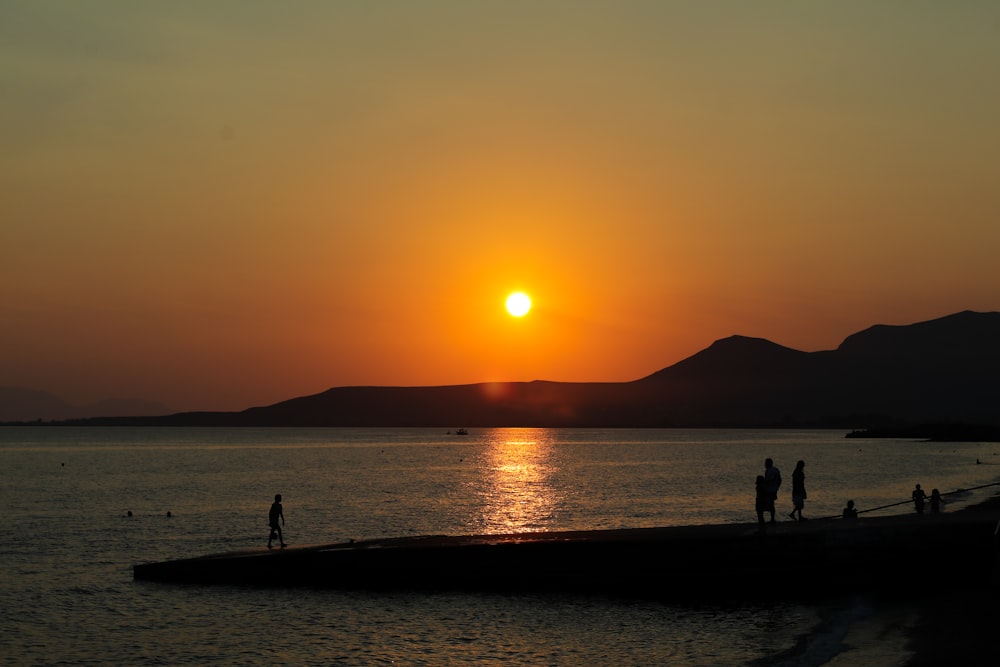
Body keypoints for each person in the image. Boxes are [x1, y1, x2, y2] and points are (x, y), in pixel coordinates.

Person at [763, 458, 782, 522]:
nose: (765, 464)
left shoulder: (769, 471)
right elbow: (780, 480)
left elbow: (768, 481)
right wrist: (777, 487)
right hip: (773, 490)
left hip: (769, 490)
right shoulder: (775, 470)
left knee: (770, 504)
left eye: (766, 463)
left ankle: (772, 519)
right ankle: (772, 518)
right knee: (771, 504)